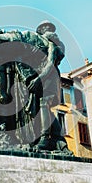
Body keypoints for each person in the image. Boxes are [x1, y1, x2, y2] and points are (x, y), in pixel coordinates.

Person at [15, 21, 71, 153]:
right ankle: (59, 138)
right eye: (44, 28)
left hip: (49, 79)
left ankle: (45, 138)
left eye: (48, 28)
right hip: (44, 79)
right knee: (45, 110)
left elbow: (50, 64)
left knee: (44, 104)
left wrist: (37, 79)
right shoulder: (44, 46)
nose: (47, 30)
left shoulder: (52, 45)